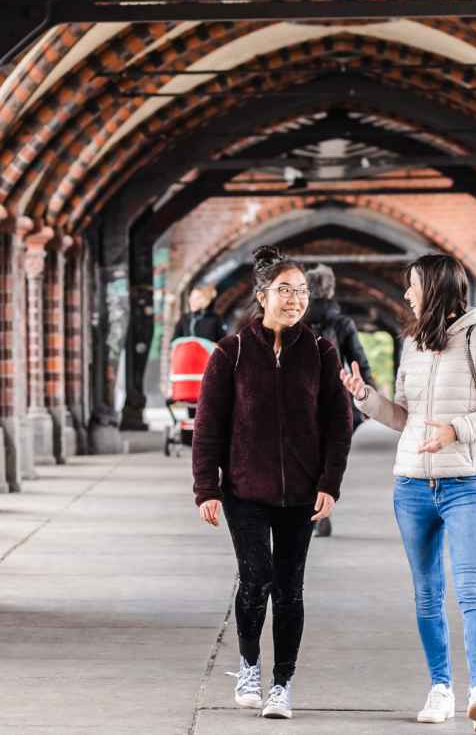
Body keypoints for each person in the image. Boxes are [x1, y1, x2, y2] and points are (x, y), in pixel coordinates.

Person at [341, 254, 476, 733]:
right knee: (426, 595)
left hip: (465, 483)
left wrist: (456, 430)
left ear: (437, 288)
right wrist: (365, 399)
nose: (406, 295)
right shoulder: (413, 344)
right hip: (411, 485)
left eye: (413, 286)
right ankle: (440, 687)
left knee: (472, 590)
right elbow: (405, 418)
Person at [192, 246, 354, 719]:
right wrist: (207, 487)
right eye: (285, 290)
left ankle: (282, 684)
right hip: (244, 490)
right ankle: (248, 664)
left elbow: (338, 424)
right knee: (254, 580)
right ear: (262, 296)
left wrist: (330, 482)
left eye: (302, 291)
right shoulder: (231, 352)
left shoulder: (322, 352)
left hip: (302, 493)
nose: (295, 299)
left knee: (290, 588)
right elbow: (209, 425)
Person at [302, 263, 374, 538]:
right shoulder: (342, 322)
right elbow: (358, 360)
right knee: (329, 458)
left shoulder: (298, 320)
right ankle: (324, 509)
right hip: (336, 399)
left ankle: (308, 511)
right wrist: (368, 397)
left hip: (303, 399)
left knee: (305, 459)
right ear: (331, 290)